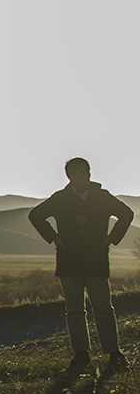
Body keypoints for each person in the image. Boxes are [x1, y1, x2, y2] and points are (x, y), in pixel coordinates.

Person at [29, 157, 133, 369]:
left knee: (103, 306)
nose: (85, 176)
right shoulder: (60, 199)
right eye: (80, 173)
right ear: (71, 176)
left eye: (87, 172)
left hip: (96, 260)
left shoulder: (101, 196)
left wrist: (111, 239)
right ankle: (81, 352)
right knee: (75, 309)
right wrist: (54, 237)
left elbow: (126, 214)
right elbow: (36, 215)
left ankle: (114, 352)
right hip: (69, 261)